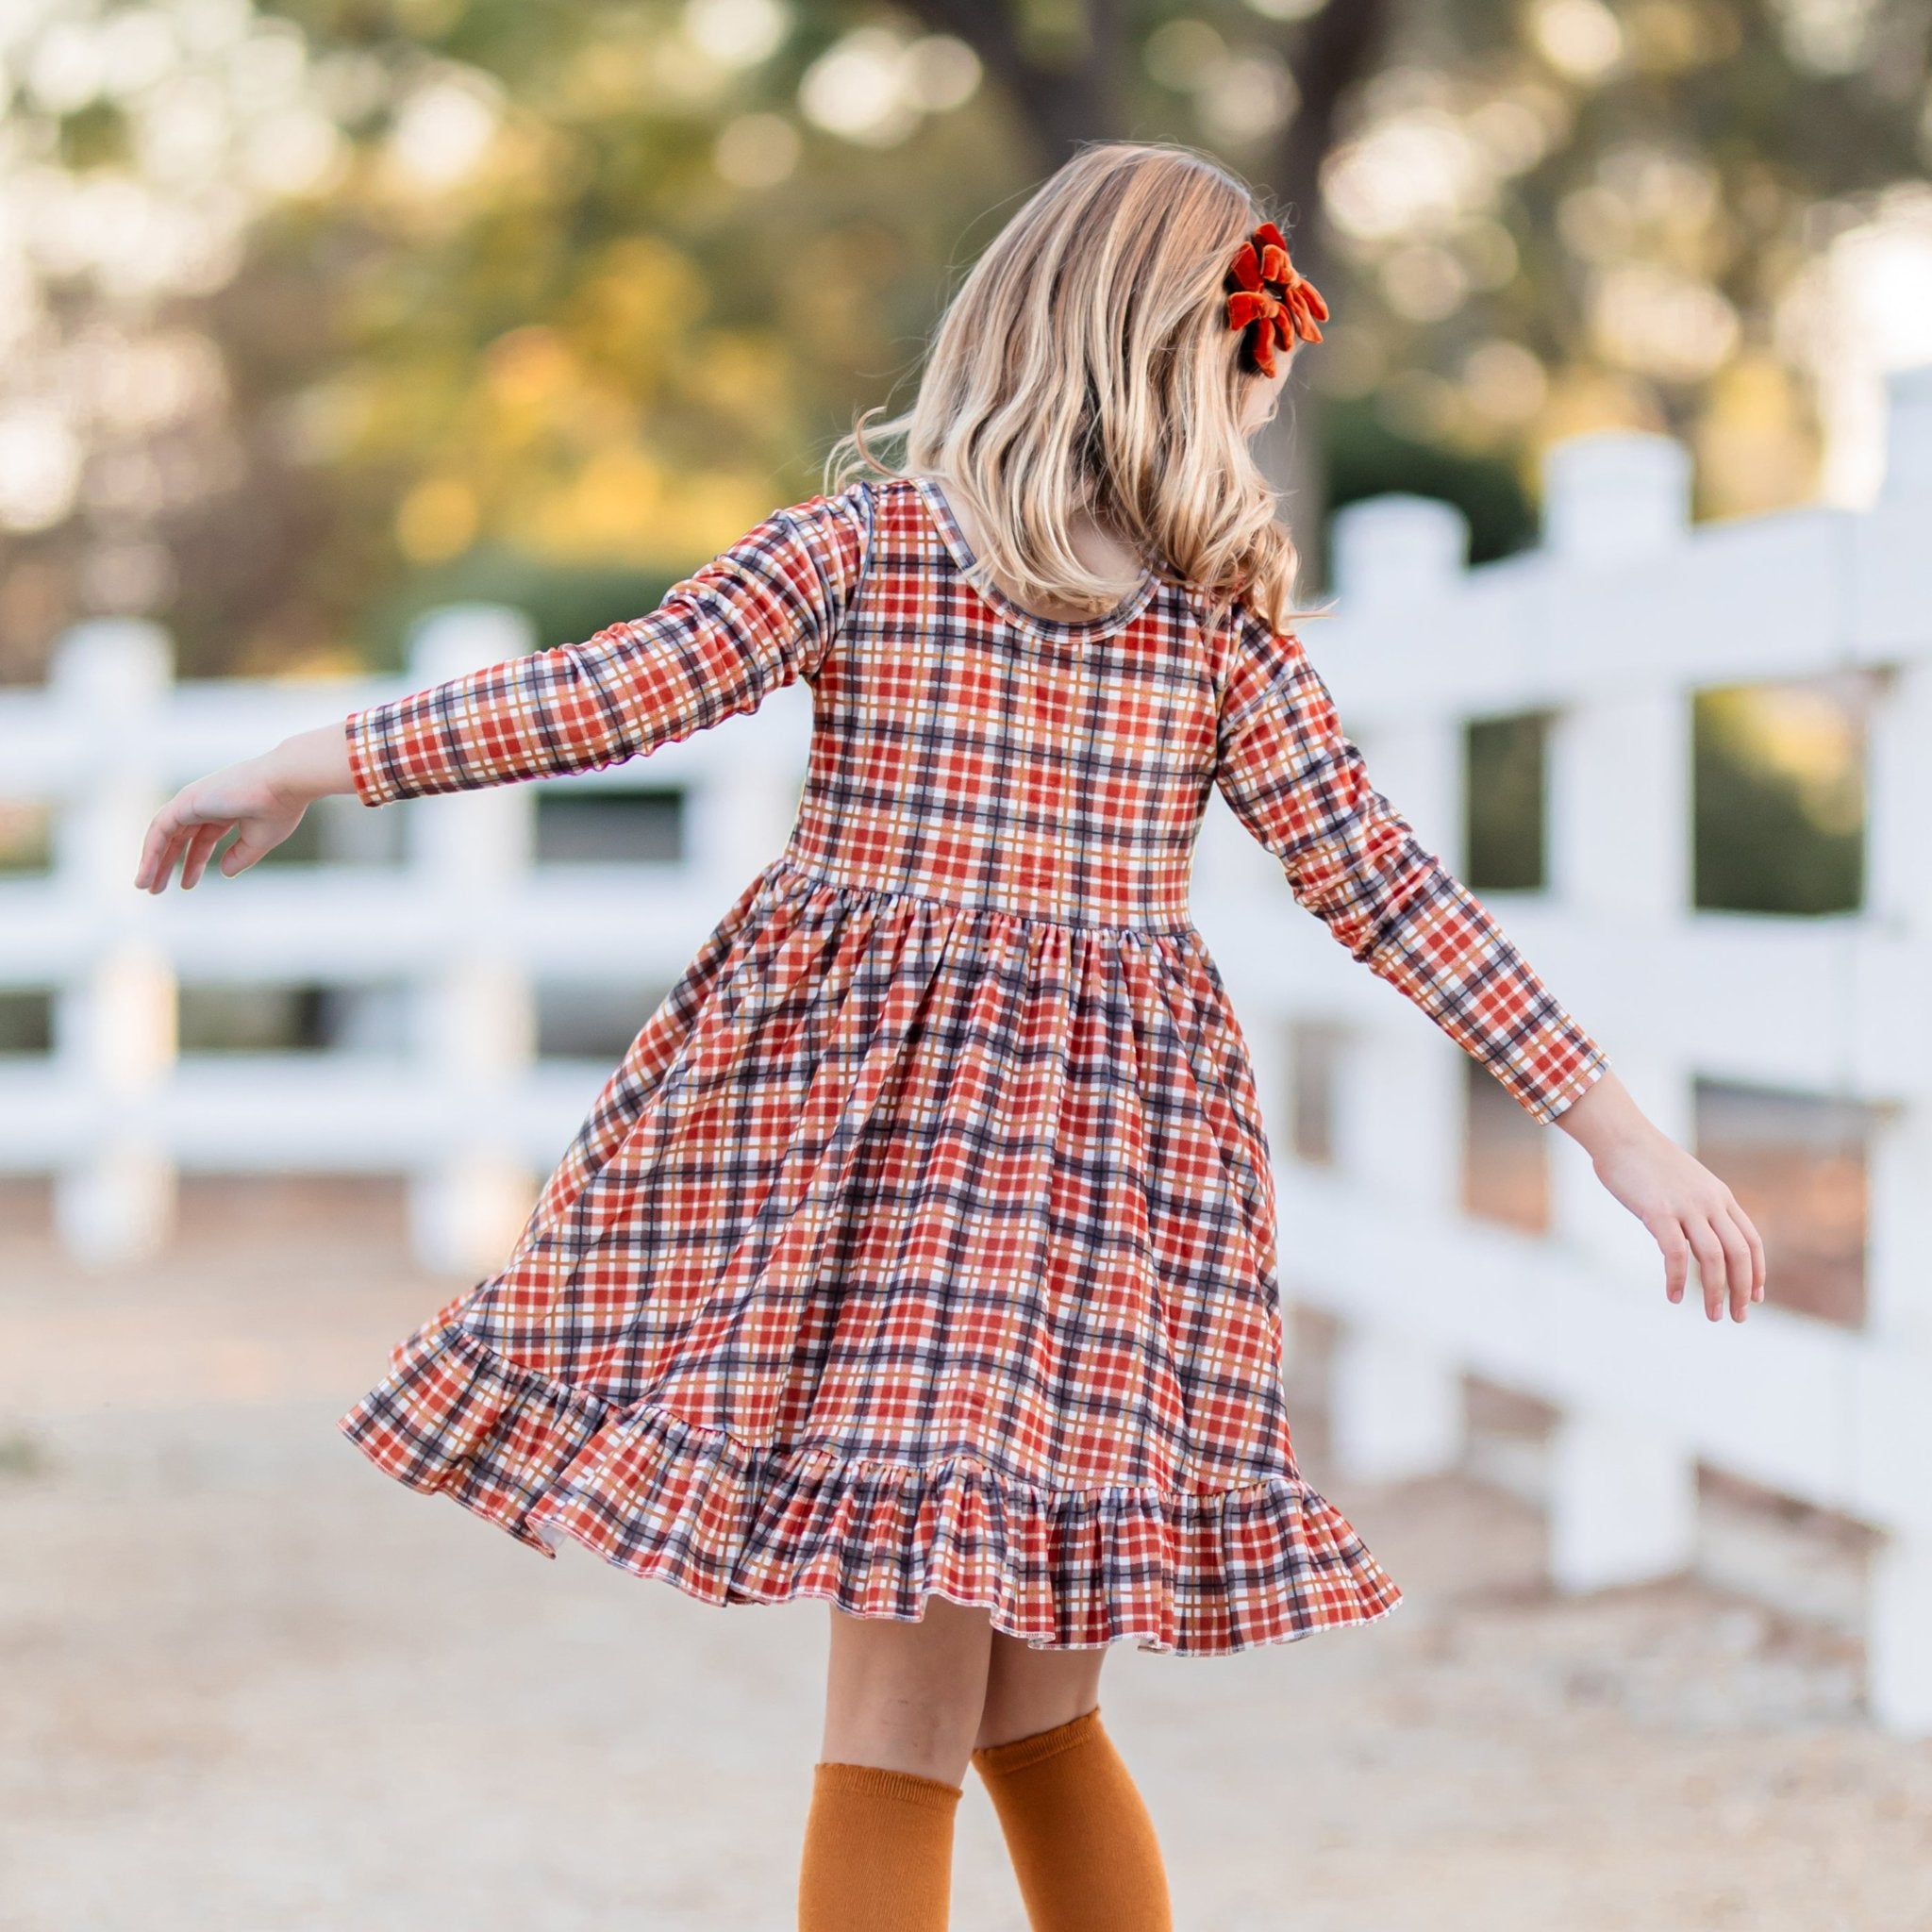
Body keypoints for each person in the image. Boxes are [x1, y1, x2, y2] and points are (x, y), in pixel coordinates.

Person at [133, 140, 1766, 1932]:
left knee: (919, 1707)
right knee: (1035, 1711)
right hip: (1093, 1192)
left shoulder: (890, 555)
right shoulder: (1194, 631)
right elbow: (1394, 896)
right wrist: (1614, 1124)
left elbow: (592, 695)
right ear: (1201, 364)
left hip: (896, 1184)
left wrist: (305, 758)